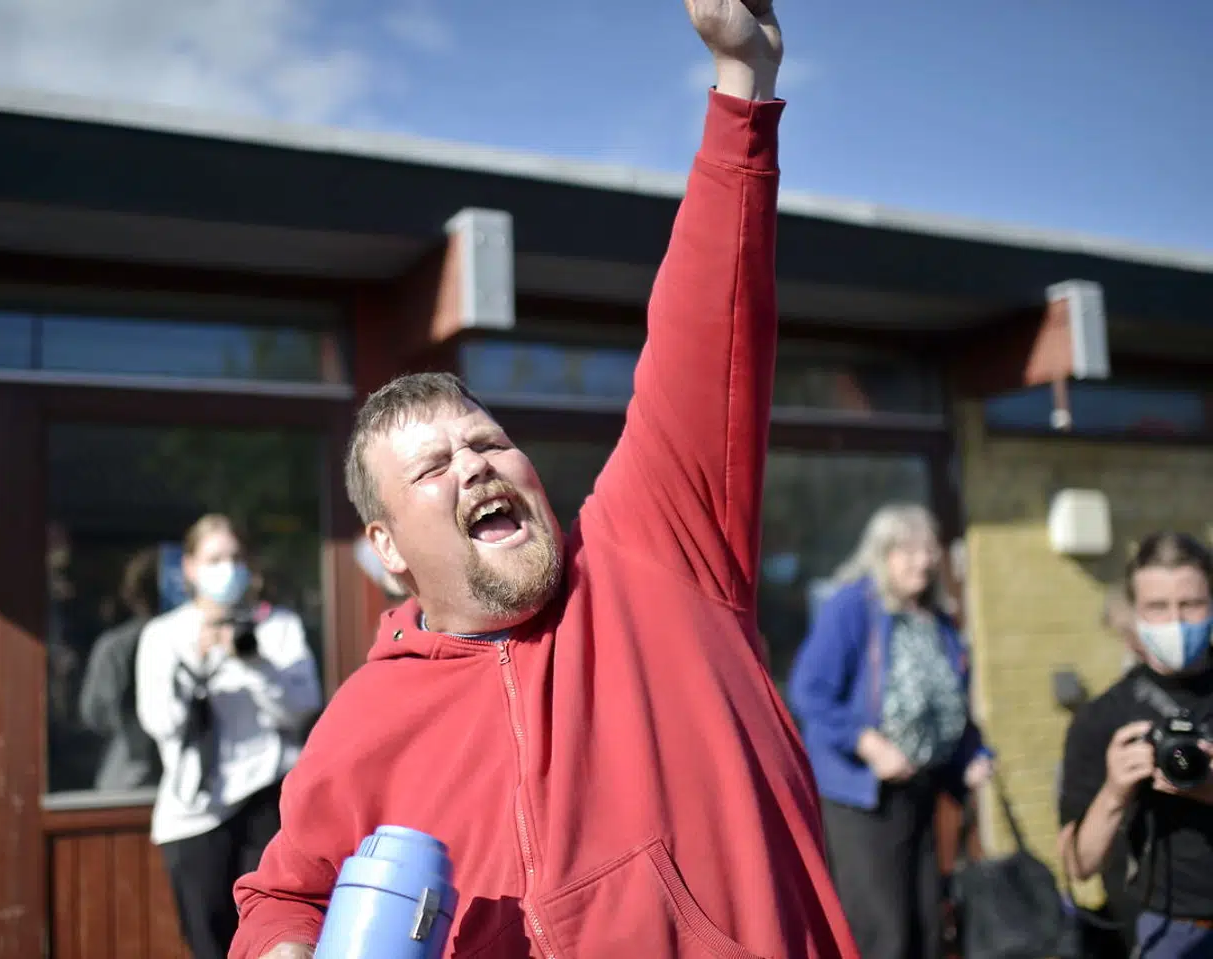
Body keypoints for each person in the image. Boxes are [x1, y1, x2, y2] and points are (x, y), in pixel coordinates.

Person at [231, 4, 861, 958]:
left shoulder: (656, 556)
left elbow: (705, 332)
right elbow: (281, 895)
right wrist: (280, 947)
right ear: (388, 547)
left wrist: (743, 81)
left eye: (485, 441)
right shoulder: (363, 721)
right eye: (433, 466)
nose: (474, 463)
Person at [786, 503, 993, 959]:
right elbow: (810, 693)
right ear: (881, 554)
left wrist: (973, 756)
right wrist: (867, 742)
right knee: (883, 932)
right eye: (907, 550)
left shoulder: (936, 621)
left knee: (926, 925)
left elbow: (950, 705)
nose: (921, 560)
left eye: (927, 549)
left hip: (921, 790)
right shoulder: (853, 607)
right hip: (864, 799)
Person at [136, 514, 323, 959]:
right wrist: (196, 666)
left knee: (275, 938)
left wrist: (252, 662)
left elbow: (302, 708)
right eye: (215, 558)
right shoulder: (165, 634)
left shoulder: (276, 627)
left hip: (266, 802)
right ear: (190, 567)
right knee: (209, 942)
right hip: (195, 812)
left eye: (236, 558)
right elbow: (160, 723)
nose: (227, 568)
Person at [1058, 532, 1213, 959]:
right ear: (1135, 614)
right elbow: (1077, 866)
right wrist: (1114, 791)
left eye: (1192, 605)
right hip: (1170, 927)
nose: (1176, 621)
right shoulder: (1102, 718)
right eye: (1158, 608)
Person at [80, 548, 163, 792]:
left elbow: (93, 714)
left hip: (127, 777)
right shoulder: (194, 640)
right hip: (155, 780)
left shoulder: (114, 645)